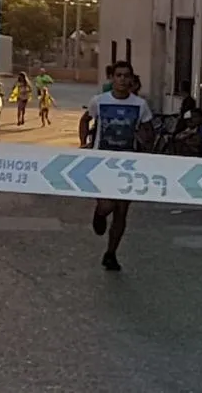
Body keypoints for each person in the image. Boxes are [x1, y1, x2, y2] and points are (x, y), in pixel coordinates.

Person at [79, 61, 154, 272]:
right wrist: (83, 143)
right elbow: (85, 120)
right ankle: (100, 213)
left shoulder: (140, 105)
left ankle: (111, 254)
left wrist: (145, 142)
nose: (122, 79)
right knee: (108, 204)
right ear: (112, 78)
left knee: (121, 211)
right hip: (102, 162)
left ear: (131, 79)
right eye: (118, 75)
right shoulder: (99, 101)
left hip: (128, 164)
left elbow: (149, 131)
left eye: (126, 76)